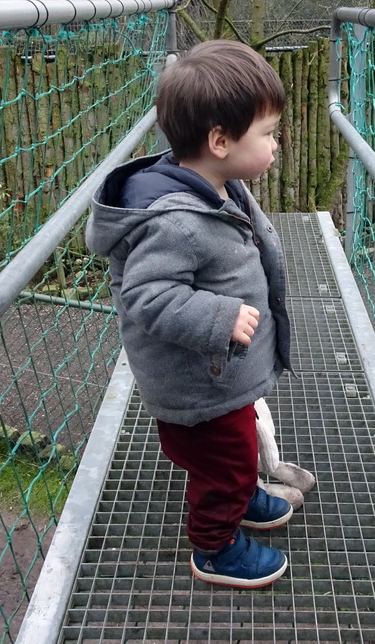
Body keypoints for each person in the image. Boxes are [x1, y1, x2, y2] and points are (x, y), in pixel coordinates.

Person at [85, 40, 294, 588]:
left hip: (224, 373)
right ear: (220, 141)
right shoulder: (176, 220)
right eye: (268, 133)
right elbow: (146, 296)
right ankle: (215, 547)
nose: (276, 143)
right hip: (201, 380)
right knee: (222, 459)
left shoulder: (216, 187)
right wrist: (219, 317)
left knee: (236, 444)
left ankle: (241, 492)